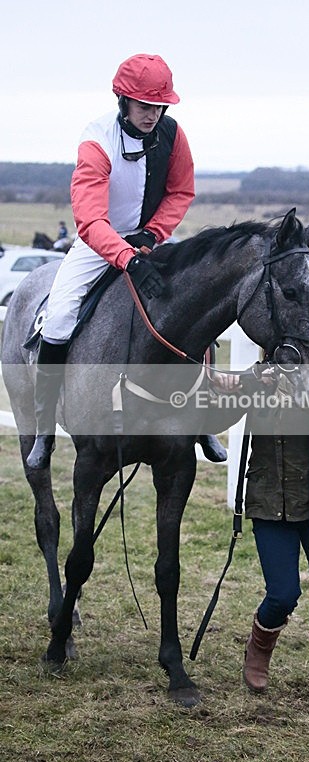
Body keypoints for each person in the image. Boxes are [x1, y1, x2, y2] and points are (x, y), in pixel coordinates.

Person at [26, 53, 223, 469]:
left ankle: (202, 420)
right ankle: (44, 428)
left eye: (158, 106)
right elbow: (89, 220)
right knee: (60, 315)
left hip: (150, 240)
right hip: (98, 243)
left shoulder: (173, 135)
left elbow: (180, 192)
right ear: (123, 100)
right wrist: (126, 258)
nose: (152, 114)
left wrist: (152, 235)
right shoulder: (97, 140)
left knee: (197, 303)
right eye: (143, 105)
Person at [238, 371, 309, 716]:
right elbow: (220, 413)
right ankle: (258, 649)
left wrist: (291, 385)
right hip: (270, 504)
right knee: (283, 594)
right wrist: (243, 383)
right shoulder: (258, 378)